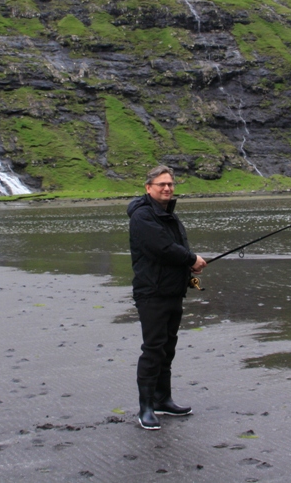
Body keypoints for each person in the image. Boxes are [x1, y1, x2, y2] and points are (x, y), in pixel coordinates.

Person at [127, 165, 207, 430]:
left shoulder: (167, 214)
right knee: (153, 349)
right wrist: (191, 259)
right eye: (161, 184)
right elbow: (162, 248)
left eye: (171, 184)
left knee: (167, 348)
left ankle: (163, 400)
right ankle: (146, 408)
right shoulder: (142, 216)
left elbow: (176, 249)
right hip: (152, 293)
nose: (167, 188)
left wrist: (190, 265)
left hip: (173, 291)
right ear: (148, 188)